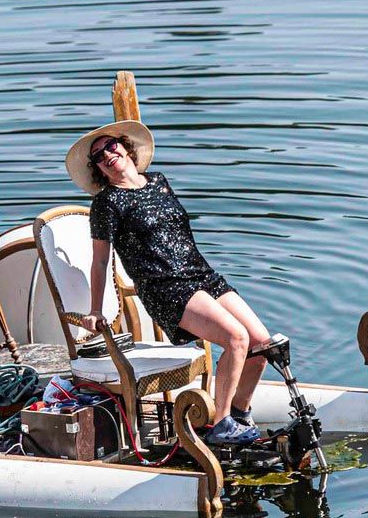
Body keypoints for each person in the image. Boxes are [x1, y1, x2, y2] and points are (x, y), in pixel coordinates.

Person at [67, 120, 273, 446]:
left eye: (110, 146)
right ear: (98, 170)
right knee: (236, 338)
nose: (107, 155)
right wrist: (94, 309)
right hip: (166, 288)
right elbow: (101, 260)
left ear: (126, 147)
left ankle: (238, 413)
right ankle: (220, 426)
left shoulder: (159, 181)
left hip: (201, 275)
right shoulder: (106, 204)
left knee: (261, 345)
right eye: (98, 156)